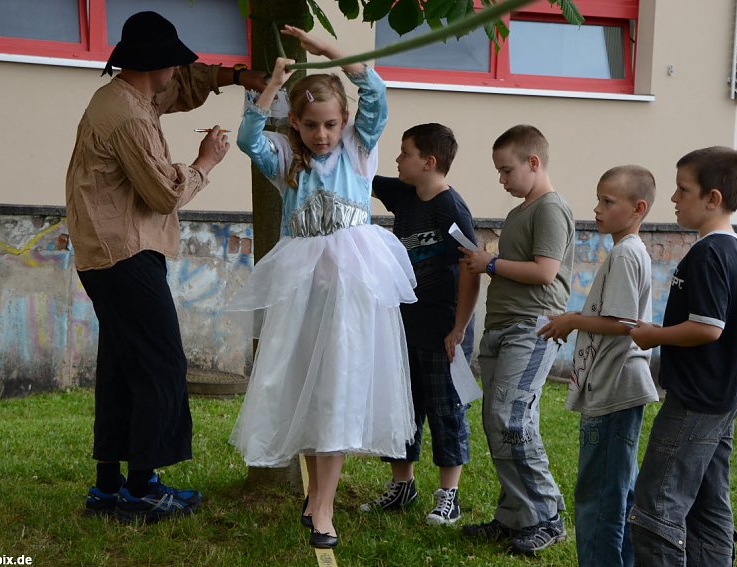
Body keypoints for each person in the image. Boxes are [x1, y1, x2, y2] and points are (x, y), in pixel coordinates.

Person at [65, 10, 266, 522]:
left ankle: (108, 487)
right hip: (124, 255)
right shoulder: (129, 117)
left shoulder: (127, 96)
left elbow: (185, 86)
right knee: (161, 365)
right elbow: (164, 195)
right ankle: (142, 489)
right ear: (157, 63)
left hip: (109, 253)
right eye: (174, 61)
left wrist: (237, 77)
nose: (179, 70)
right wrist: (206, 161)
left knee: (122, 367)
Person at [228, 26, 417, 549]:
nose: (323, 134)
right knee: (309, 388)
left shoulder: (359, 149)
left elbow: (375, 90)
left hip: (350, 294)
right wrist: (274, 84)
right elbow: (247, 138)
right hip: (304, 291)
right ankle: (315, 498)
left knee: (336, 388)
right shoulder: (286, 159)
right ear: (294, 122)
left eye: (332, 124)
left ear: (346, 121)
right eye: (311, 125)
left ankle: (326, 507)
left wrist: (330, 51)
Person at [628, 147, 737, 566]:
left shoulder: (708, 254)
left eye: (683, 190)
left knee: (657, 505)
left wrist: (654, 336)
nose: (674, 198)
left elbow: (708, 327)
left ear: (713, 198)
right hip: (721, 394)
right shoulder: (733, 250)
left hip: (697, 399)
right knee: (707, 502)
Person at [459, 125, 574, 555]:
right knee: (498, 420)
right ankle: (515, 516)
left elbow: (545, 271)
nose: (501, 179)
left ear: (533, 162)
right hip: (503, 329)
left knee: (512, 419)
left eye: (507, 170)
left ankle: (547, 517)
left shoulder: (551, 208)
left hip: (531, 327)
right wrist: (490, 261)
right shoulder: (519, 213)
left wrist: (490, 264)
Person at [537, 165, 659, 566]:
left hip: (614, 387)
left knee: (599, 496)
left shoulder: (625, 253)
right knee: (618, 490)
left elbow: (623, 323)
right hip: (616, 386)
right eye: (598, 200)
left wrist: (571, 320)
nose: (597, 209)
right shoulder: (628, 250)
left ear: (638, 209)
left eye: (608, 202)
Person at [360, 123, 480, 525]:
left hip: (444, 329)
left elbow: (471, 270)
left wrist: (459, 328)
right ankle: (403, 485)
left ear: (428, 162)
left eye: (405, 153)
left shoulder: (452, 209)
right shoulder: (404, 194)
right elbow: (361, 174)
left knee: (446, 410)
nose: (397, 160)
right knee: (403, 406)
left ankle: (449, 495)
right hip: (404, 325)